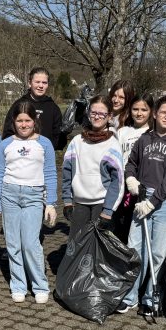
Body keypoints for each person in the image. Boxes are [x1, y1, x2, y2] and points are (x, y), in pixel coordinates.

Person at [121, 94, 166, 315]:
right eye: (163, 112)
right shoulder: (145, 139)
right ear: (155, 113)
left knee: (158, 253)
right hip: (142, 197)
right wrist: (131, 180)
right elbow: (131, 164)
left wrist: (153, 202)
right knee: (135, 249)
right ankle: (130, 296)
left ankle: (150, 298)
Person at [0, 100, 58, 304]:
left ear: (34, 120)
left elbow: (50, 174)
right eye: (19, 120)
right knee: (13, 244)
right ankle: (18, 285)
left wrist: (51, 203)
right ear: (14, 121)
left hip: (34, 197)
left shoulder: (44, 144)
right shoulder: (5, 144)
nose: (23, 125)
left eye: (27, 120)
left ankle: (39, 285)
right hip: (9, 195)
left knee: (30, 243)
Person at [61, 95, 124, 240]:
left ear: (109, 116)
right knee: (76, 244)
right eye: (94, 113)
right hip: (80, 203)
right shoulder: (77, 142)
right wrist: (67, 201)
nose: (97, 117)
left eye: (102, 114)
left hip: (101, 204)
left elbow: (117, 182)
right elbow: (67, 172)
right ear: (88, 114)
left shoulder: (113, 145)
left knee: (98, 248)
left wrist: (108, 211)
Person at [113, 94, 153, 241]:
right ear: (130, 110)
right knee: (121, 223)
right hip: (123, 184)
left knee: (136, 224)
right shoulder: (123, 132)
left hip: (142, 185)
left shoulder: (152, 133)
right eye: (135, 109)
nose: (139, 113)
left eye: (144, 109)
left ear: (151, 112)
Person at [2, 67, 65, 150]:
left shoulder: (53, 108)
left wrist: (64, 133)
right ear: (29, 83)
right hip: (20, 154)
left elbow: (58, 139)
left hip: (44, 156)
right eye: (37, 82)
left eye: (44, 82)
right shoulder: (19, 104)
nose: (41, 86)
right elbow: (8, 133)